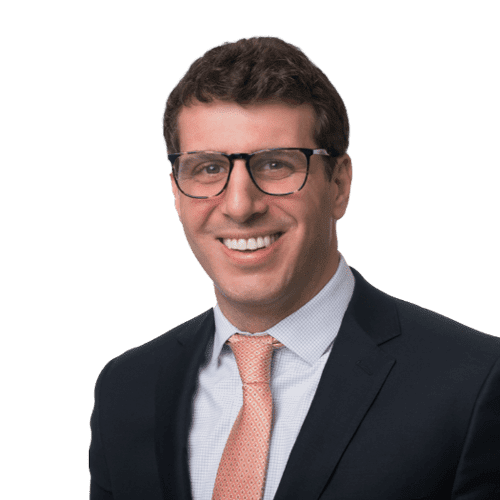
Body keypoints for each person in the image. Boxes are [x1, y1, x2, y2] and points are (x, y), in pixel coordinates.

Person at [88, 36, 500, 500]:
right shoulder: (127, 389)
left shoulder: (474, 383)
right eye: (208, 169)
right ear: (176, 192)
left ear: (339, 184)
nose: (239, 205)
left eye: (275, 165)